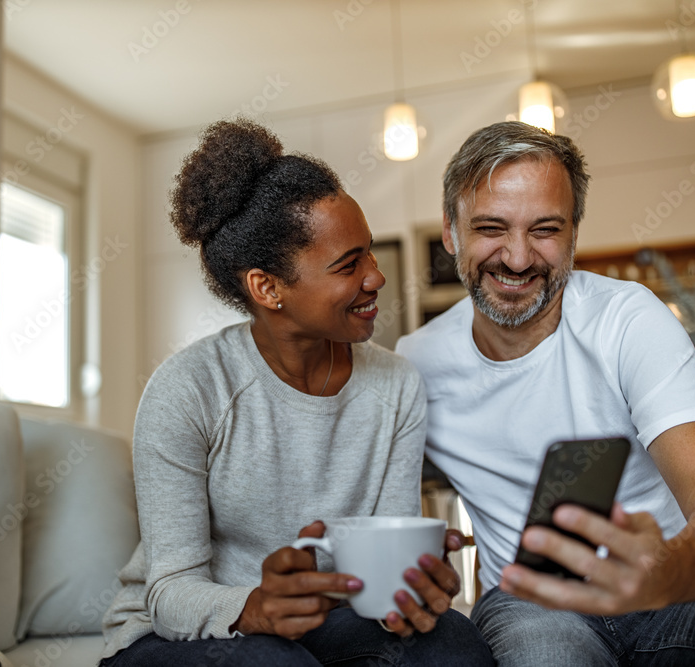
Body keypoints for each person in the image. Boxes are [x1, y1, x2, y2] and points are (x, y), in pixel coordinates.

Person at [100, 119, 494, 666]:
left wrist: (409, 585)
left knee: (453, 642)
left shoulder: (395, 385)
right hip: (173, 636)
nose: (376, 277)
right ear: (267, 287)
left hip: (322, 620)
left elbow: (379, 572)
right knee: (276, 663)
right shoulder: (188, 390)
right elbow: (169, 595)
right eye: (348, 264)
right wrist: (259, 607)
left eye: (370, 253)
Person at [396, 121, 695, 665]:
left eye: (545, 229)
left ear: (574, 233)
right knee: (546, 649)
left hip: (670, 582)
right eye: (491, 228)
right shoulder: (416, 363)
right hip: (533, 602)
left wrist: (654, 576)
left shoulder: (628, 319)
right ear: (451, 232)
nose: (518, 259)